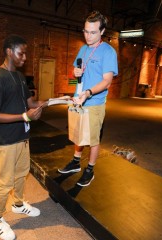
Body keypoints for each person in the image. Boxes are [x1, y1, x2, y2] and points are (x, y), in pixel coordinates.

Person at [0, 34, 45, 240]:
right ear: (9, 52)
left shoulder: (20, 77)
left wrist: (56, 100)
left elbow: (31, 103)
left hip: (22, 137)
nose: (25, 57)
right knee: (5, 181)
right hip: (6, 140)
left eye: (26, 53)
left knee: (22, 173)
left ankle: (19, 204)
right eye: (22, 52)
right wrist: (23, 116)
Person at [58, 10, 118, 187]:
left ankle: (90, 170)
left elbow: (107, 81)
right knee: (78, 135)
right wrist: (75, 73)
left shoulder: (108, 52)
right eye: (85, 31)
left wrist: (88, 93)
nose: (88, 36)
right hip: (79, 101)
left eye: (92, 32)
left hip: (94, 103)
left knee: (93, 139)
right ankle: (76, 162)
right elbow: (76, 73)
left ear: (102, 31)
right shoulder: (83, 49)